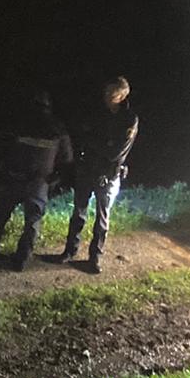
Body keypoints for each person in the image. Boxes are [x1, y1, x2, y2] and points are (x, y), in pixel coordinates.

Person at [55, 76, 140, 274]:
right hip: (87, 170)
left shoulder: (129, 119)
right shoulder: (96, 112)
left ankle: (94, 258)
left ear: (123, 95)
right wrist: (102, 143)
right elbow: (83, 136)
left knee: (102, 218)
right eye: (106, 91)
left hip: (109, 174)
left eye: (112, 92)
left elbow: (115, 152)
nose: (107, 95)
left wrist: (96, 143)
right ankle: (69, 251)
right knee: (78, 212)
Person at [0, 90, 73, 270]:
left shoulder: (18, 122)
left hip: (13, 177)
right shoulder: (58, 128)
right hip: (39, 182)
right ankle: (21, 259)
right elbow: (67, 159)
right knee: (32, 221)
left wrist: (2, 167)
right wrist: (53, 179)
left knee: (0, 216)